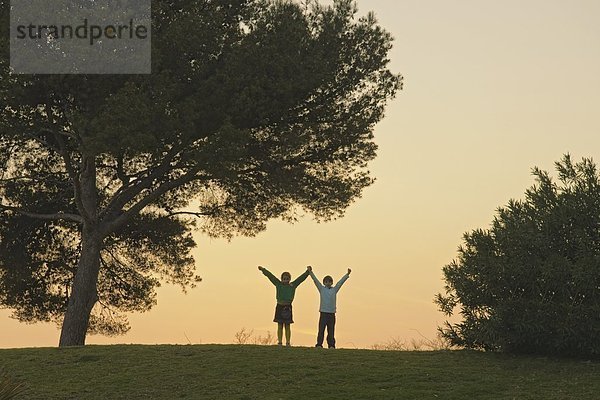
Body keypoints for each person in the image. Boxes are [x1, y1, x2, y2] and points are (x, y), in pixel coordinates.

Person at [258, 265, 310, 347]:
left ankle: (288, 342)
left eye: (287, 279)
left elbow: (300, 279)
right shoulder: (278, 284)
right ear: (281, 279)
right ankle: (280, 342)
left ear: (290, 279)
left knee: (287, 325)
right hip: (279, 306)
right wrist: (263, 270)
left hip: (288, 307)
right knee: (279, 325)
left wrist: (307, 272)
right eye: (284, 279)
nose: (285, 280)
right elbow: (271, 276)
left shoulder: (292, 285)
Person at [307, 266, 351, 349]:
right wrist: (310, 272)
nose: (328, 283)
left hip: (331, 314)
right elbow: (315, 281)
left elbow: (340, 283)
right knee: (321, 330)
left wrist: (347, 274)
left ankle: (331, 345)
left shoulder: (334, 290)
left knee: (331, 331)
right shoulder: (322, 289)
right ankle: (319, 344)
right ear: (324, 283)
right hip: (323, 313)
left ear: (331, 282)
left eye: (329, 281)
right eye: (326, 281)